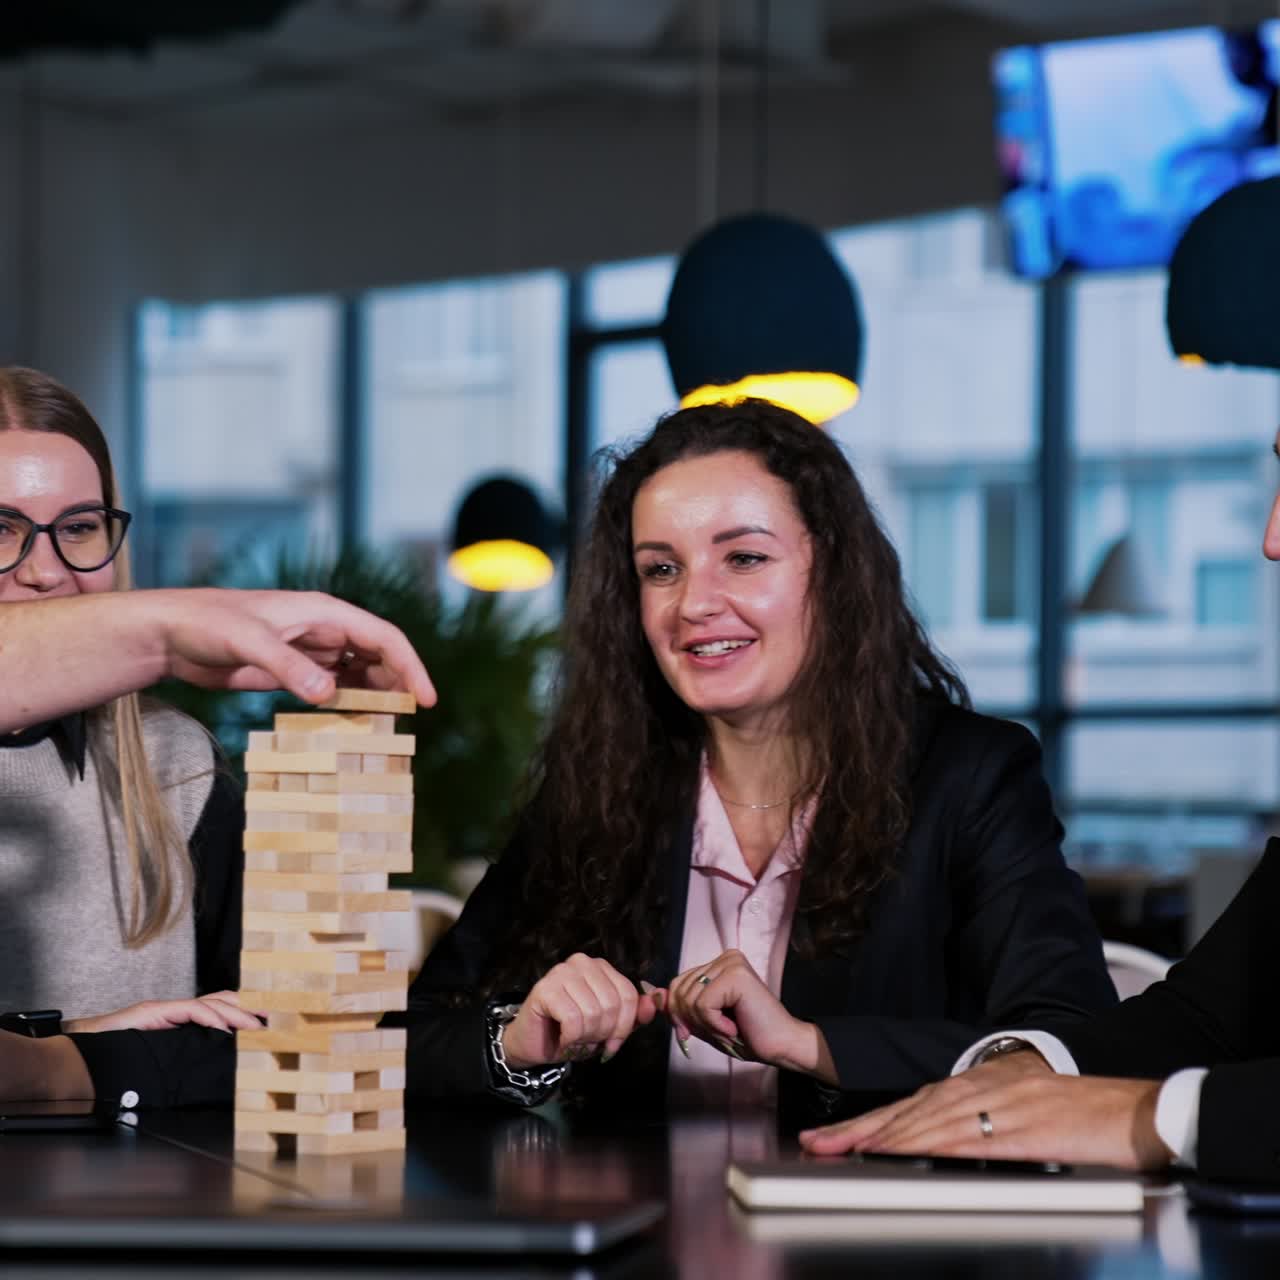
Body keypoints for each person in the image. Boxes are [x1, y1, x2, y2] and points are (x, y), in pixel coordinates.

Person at [402, 398, 1115, 1126]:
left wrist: (813, 1046)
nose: (693, 604)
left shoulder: (970, 775)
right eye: (660, 569)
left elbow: (1072, 1043)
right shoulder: (599, 787)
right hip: (640, 1232)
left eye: (743, 558)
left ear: (831, 571)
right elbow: (404, 1041)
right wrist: (518, 1045)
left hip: (881, 1232)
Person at [798, 430, 1280, 1183]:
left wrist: (1156, 1116)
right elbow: (1206, 1017)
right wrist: (1021, 1070)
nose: (1271, 539)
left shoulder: (968, 768)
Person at [0, 366, 435, 1108]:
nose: (45, 572)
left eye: (78, 528)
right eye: (0, 529)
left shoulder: (177, 766)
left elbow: (287, 1044)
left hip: (145, 1208)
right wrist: (86, 1044)